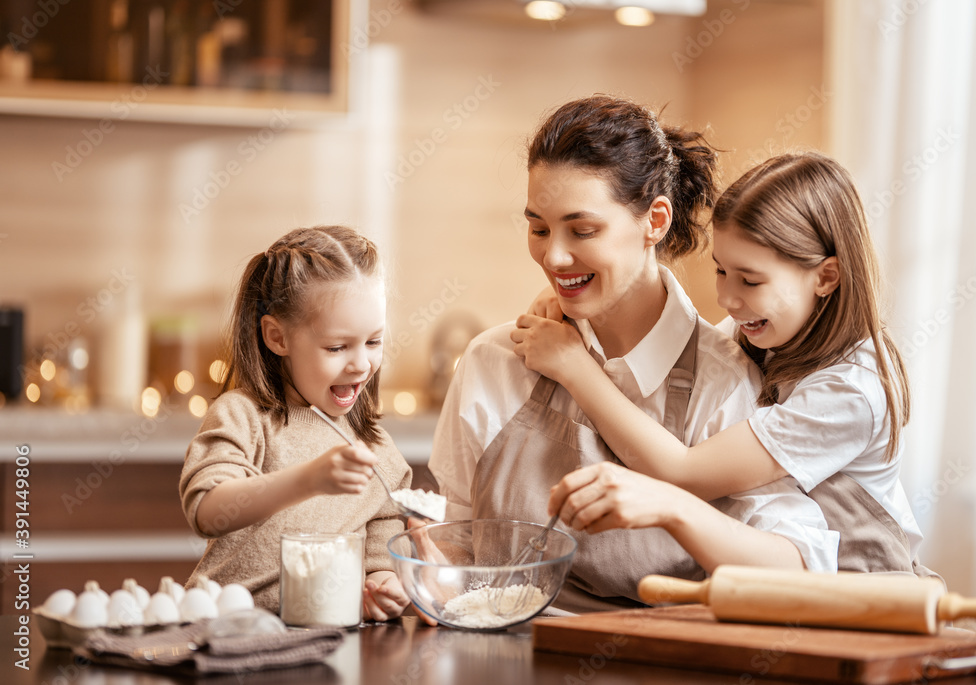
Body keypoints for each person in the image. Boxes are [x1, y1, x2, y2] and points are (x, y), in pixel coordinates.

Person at [428, 95, 840, 613]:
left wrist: (671, 505)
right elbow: (454, 535)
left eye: (582, 230)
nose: (553, 256)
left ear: (655, 220)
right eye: (538, 228)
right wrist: (414, 583)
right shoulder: (494, 361)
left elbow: (799, 568)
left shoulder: (725, 382)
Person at [518, 152, 926, 574]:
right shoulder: (758, 328)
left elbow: (683, 471)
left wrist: (573, 366)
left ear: (825, 277)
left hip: (866, 587)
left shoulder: (850, 391)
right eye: (720, 271)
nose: (727, 300)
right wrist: (575, 300)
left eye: (750, 280)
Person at [179, 225, 412, 620]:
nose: (360, 364)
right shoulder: (245, 416)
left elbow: (384, 533)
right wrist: (309, 480)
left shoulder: (375, 449)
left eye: (373, 342)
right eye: (337, 347)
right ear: (277, 338)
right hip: (221, 634)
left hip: (323, 641)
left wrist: (383, 582)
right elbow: (206, 509)